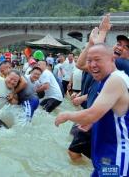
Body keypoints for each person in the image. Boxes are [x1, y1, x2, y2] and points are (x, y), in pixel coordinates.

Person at [55, 43, 129, 177]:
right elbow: (107, 109)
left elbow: (92, 114)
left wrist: (66, 115)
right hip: (104, 154)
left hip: (117, 156)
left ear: (112, 59)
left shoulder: (116, 80)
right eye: (90, 61)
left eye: (98, 60)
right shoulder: (106, 80)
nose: (92, 64)